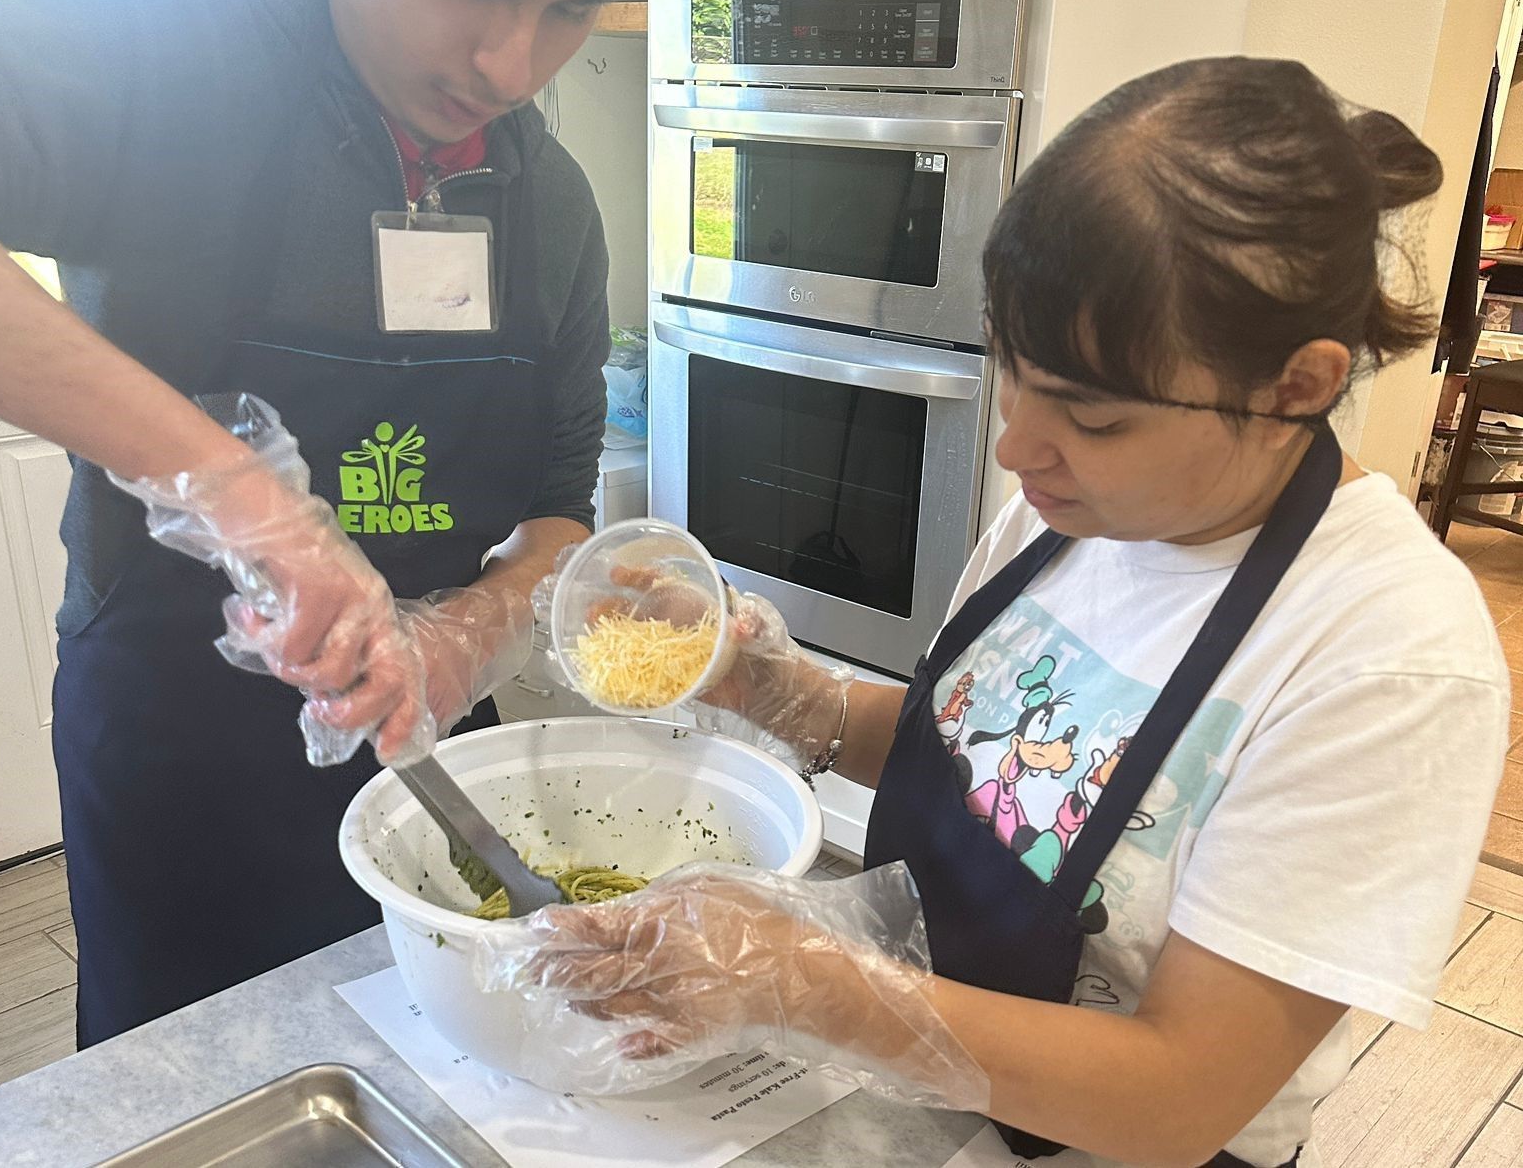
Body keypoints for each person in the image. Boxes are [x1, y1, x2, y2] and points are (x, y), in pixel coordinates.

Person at [498, 59, 1511, 1168]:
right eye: (1009, 371)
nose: (1015, 446)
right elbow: (989, 761)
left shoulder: (1386, 653)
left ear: (1297, 386)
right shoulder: (1075, 510)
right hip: (911, 1099)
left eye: (1092, 416)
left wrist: (804, 979)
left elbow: (1183, 1099)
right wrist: (793, 699)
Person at [0, 0, 676, 1047]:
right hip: (180, 758)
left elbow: (556, 510)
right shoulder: (171, 44)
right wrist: (247, 494)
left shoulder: (552, 205)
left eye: (573, 10)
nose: (509, 58)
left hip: (425, 761)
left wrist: (461, 632)